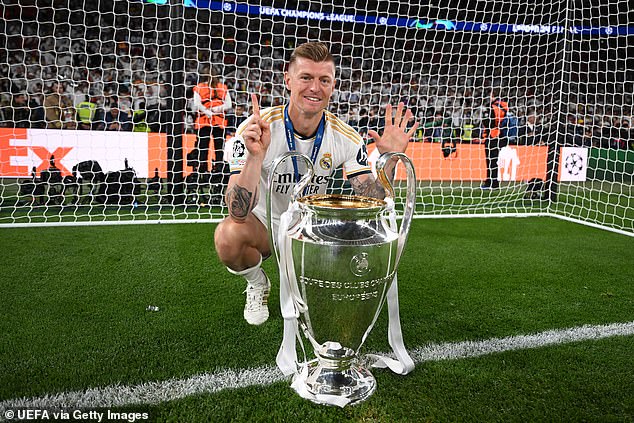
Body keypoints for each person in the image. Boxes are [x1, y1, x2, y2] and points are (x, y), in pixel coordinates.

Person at [213, 41, 418, 325]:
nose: (314, 87)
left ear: (333, 86)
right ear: (288, 80)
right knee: (228, 236)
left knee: (333, 289)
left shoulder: (345, 136)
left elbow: (373, 199)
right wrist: (255, 157)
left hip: (309, 227)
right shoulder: (257, 128)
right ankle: (257, 282)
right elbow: (238, 212)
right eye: (306, 77)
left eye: (324, 80)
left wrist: (388, 160)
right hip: (263, 223)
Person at [191, 69, 233, 172]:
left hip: (206, 119)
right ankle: (218, 170)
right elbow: (228, 105)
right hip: (217, 120)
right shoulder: (222, 88)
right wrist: (216, 110)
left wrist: (207, 111)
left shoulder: (199, 88)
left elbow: (197, 104)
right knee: (218, 148)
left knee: (203, 148)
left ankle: (203, 171)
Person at [481, 88, 509, 189]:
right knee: (494, 160)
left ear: (493, 96)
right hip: (499, 135)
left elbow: (487, 122)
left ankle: (491, 182)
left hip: (491, 135)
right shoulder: (504, 107)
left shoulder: (492, 108)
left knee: (490, 160)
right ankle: (493, 181)